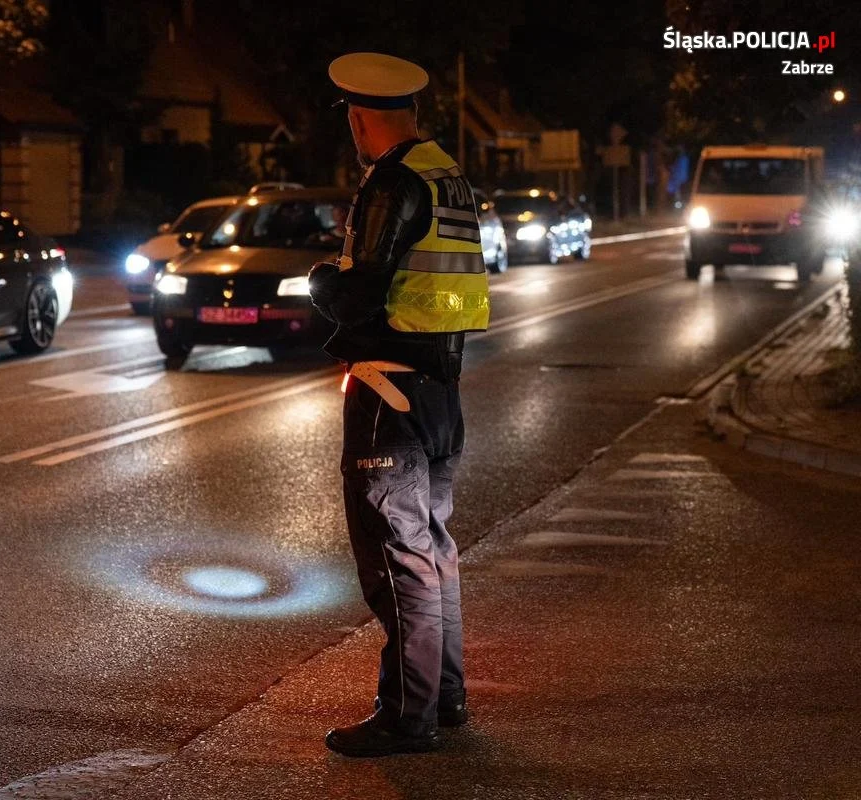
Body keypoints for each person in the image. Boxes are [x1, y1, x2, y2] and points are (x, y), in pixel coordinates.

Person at [308, 52, 491, 758]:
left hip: (389, 395)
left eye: (350, 120)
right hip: (441, 393)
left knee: (397, 559)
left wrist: (321, 280)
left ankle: (406, 716)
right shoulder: (448, 176)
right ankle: (443, 697)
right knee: (433, 551)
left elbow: (358, 292)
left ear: (359, 118)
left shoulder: (392, 182)